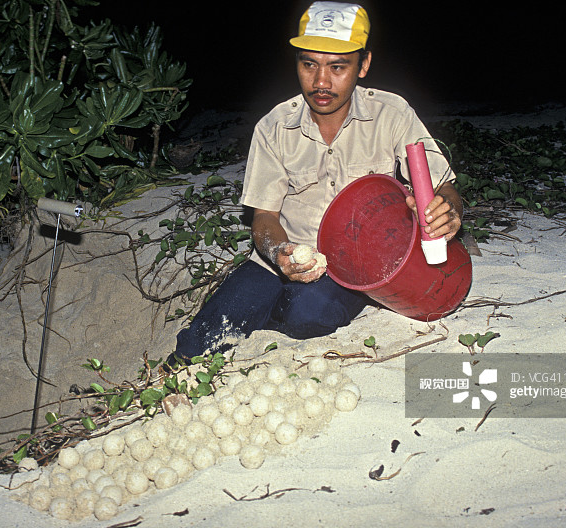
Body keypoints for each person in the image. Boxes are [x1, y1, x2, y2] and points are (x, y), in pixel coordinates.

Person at [168, 1, 462, 364]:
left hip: (356, 266)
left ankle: (272, 327)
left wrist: (447, 211)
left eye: (338, 67)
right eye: (309, 64)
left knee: (306, 313)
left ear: (364, 64)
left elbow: (444, 188)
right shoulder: (274, 127)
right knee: (198, 344)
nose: (321, 82)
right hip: (283, 258)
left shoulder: (393, 115)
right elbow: (263, 217)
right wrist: (279, 253)